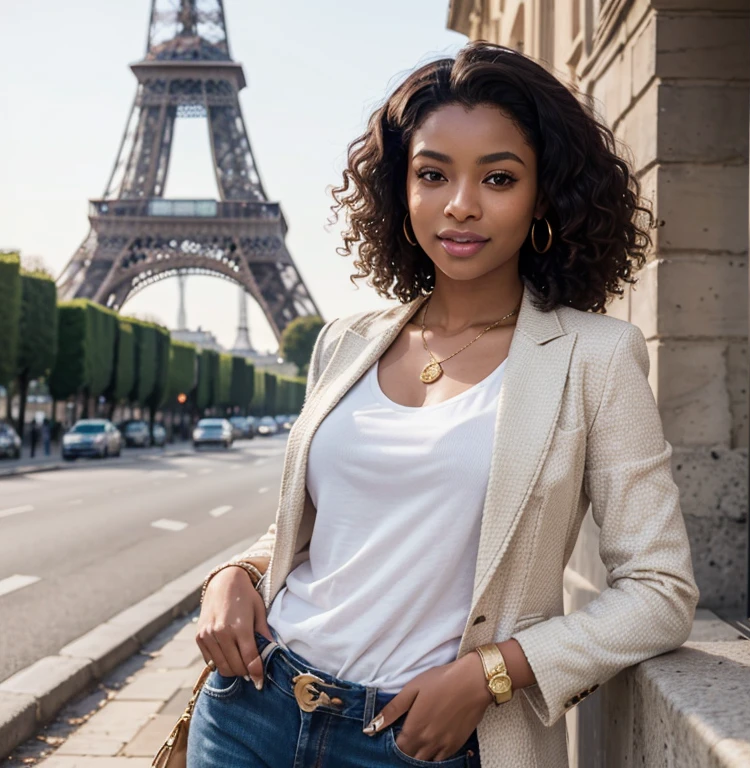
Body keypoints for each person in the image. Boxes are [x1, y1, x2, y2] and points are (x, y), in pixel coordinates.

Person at [187, 41, 699, 768]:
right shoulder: (345, 343)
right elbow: (323, 533)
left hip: (421, 742)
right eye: (433, 174)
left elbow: (660, 591)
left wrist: (493, 673)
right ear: (403, 189)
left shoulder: (595, 357)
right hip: (255, 710)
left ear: (543, 195)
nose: (461, 205)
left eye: (498, 177)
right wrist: (232, 575)